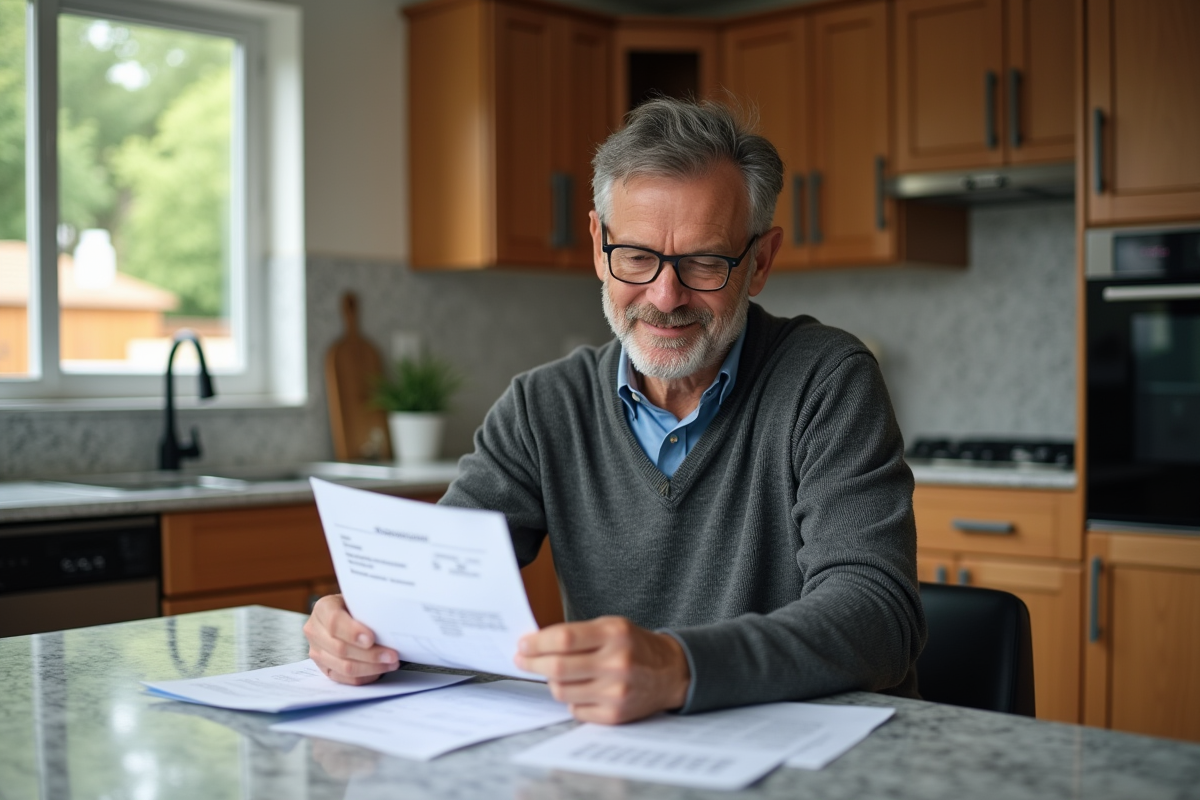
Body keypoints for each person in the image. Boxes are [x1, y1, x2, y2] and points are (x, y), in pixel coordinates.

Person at [305, 98, 926, 725]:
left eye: (704, 262)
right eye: (636, 255)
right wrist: (359, 625)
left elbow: (879, 615)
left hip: (814, 751)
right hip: (624, 749)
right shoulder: (542, 407)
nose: (665, 296)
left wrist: (679, 667)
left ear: (759, 262)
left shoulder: (828, 379)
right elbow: (434, 585)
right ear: (599, 245)